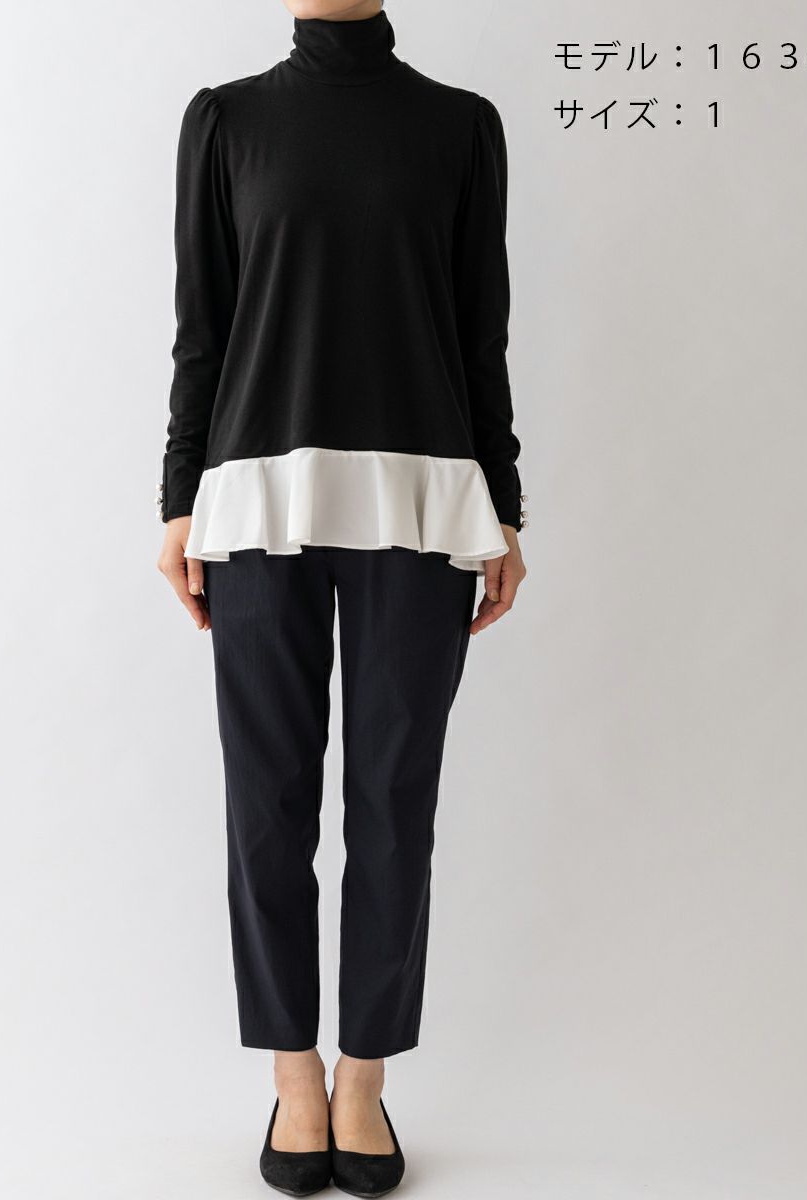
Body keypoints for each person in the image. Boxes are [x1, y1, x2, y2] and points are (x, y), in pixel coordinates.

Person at [156, 1, 526, 1193]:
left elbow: (480, 330)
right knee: (266, 804)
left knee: (393, 804)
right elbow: (202, 328)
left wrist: (503, 503)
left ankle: (363, 1075)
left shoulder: (461, 128)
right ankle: (292, 1075)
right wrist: (178, 498)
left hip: (421, 504)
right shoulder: (226, 123)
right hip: (256, 501)